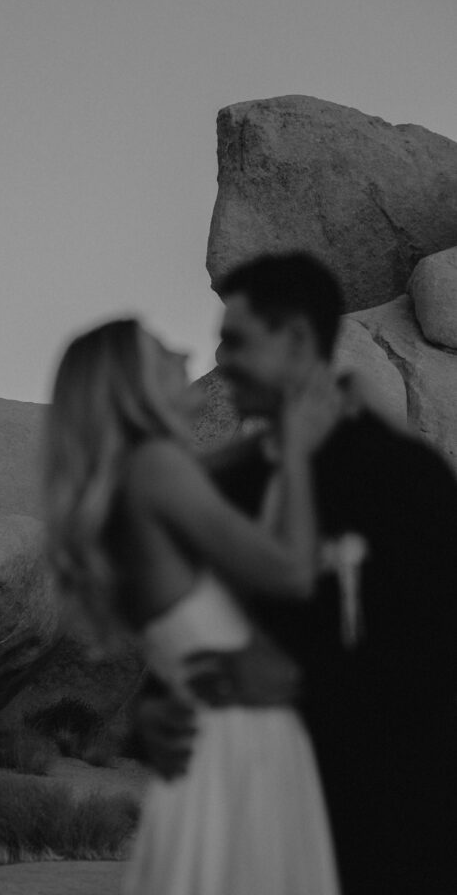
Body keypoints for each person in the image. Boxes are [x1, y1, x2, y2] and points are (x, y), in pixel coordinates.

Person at [137, 252, 457, 895]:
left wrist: (298, 678)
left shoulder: (407, 481)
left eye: (238, 341)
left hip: (388, 833)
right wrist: (154, 717)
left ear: (298, 340)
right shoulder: (231, 485)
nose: (221, 359)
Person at [44, 317, 341, 895]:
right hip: (242, 744)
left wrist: (268, 436)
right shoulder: (157, 467)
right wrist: (300, 451)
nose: (184, 352)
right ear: (135, 386)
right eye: (162, 352)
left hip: (220, 740)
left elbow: (213, 470)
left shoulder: (133, 478)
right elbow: (292, 572)